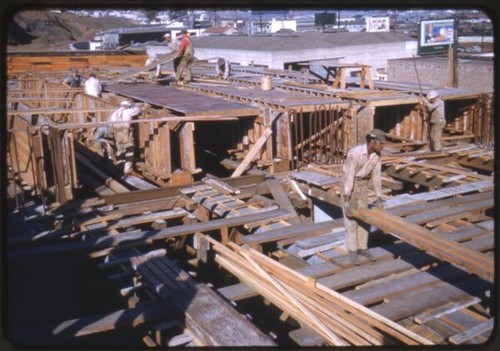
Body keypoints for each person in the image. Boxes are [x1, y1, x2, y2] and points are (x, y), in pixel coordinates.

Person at [341, 129, 386, 265]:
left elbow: (376, 175)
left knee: (364, 217)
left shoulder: (377, 156)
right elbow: (349, 175)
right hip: (350, 183)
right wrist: (347, 197)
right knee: (351, 218)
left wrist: (378, 196)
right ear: (372, 142)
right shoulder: (355, 153)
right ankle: (352, 251)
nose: (382, 146)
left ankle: (362, 248)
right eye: (380, 143)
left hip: (362, 184)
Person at [94, 100, 141, 178]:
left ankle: (120, 166)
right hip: (126, 134)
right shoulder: (128, 112)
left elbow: (111, 125)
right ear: (128, 106)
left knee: (120, 151)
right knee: (130, 152)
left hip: (117, 135)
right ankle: (126, 171)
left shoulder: (114, 113)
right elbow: (138, 110)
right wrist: (134, 105)